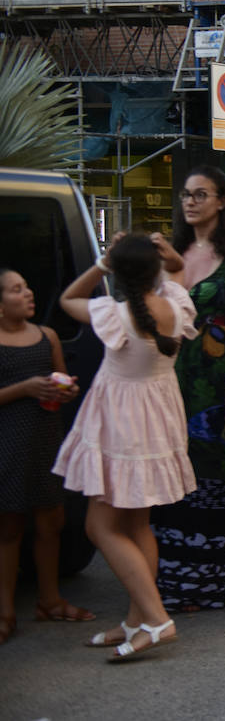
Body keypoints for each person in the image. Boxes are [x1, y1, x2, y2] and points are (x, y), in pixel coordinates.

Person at [54, 234, 196, 660]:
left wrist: (103, 262)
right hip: (159, 417)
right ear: (154, 271)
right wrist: (162, 254)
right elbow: (177, 269)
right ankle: (138, 619)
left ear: (119, 273)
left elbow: (67, 299)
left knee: (100, 526)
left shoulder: (113, 314)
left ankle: (156, 618)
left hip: (121, 423)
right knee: (136, 525)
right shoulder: (176, 303)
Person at [152, 166, 225, 613]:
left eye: (201, 194)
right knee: (179, 475)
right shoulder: (174, 252)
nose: (190, 201)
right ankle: (181, 581)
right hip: (175, 379)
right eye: (186, 194)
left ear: (222, 200)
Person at [0, 268, 88, 644]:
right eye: (16, 289)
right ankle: (5, 611)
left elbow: (62, 379)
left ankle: (50, 601)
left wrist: (65, 391)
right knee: (9, 526)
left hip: (45, 438)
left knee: (51, 521)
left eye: (26, 286)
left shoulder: (47, 336)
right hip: (8, 443)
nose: (28, 293)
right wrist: (24, 388)